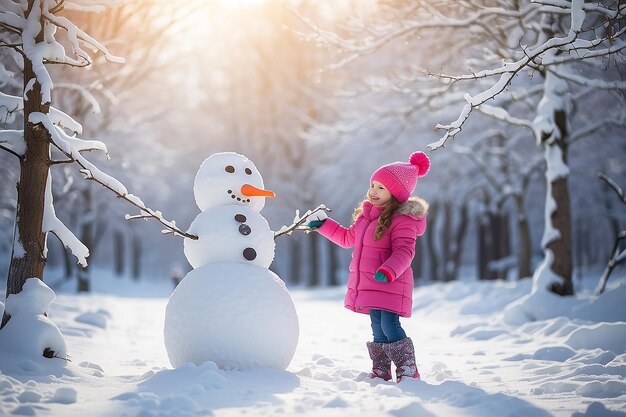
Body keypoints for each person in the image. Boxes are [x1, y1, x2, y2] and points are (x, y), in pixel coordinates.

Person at [307, 151, 430, 382]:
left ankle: (407, 369)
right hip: (372, 284)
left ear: (395, 194)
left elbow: (405, 251)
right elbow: (346, 238)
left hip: (391, 281)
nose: (373, 191)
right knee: (377, 327)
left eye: (381, 188)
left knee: (389, 324)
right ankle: (381, 370)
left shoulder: (403, 220)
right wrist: (323, 225)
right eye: (373, 185)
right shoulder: (367, 218)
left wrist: (388, 270)